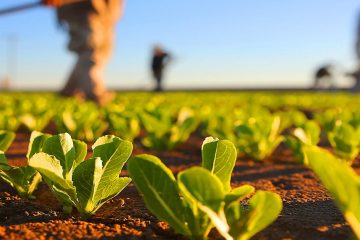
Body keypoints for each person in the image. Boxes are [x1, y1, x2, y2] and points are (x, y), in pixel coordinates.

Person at [42, 0, 124, 105]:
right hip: (83, 10)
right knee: (92, 48)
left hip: (105, 11)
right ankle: (94, 91)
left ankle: (69, 91)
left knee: (102, 50)